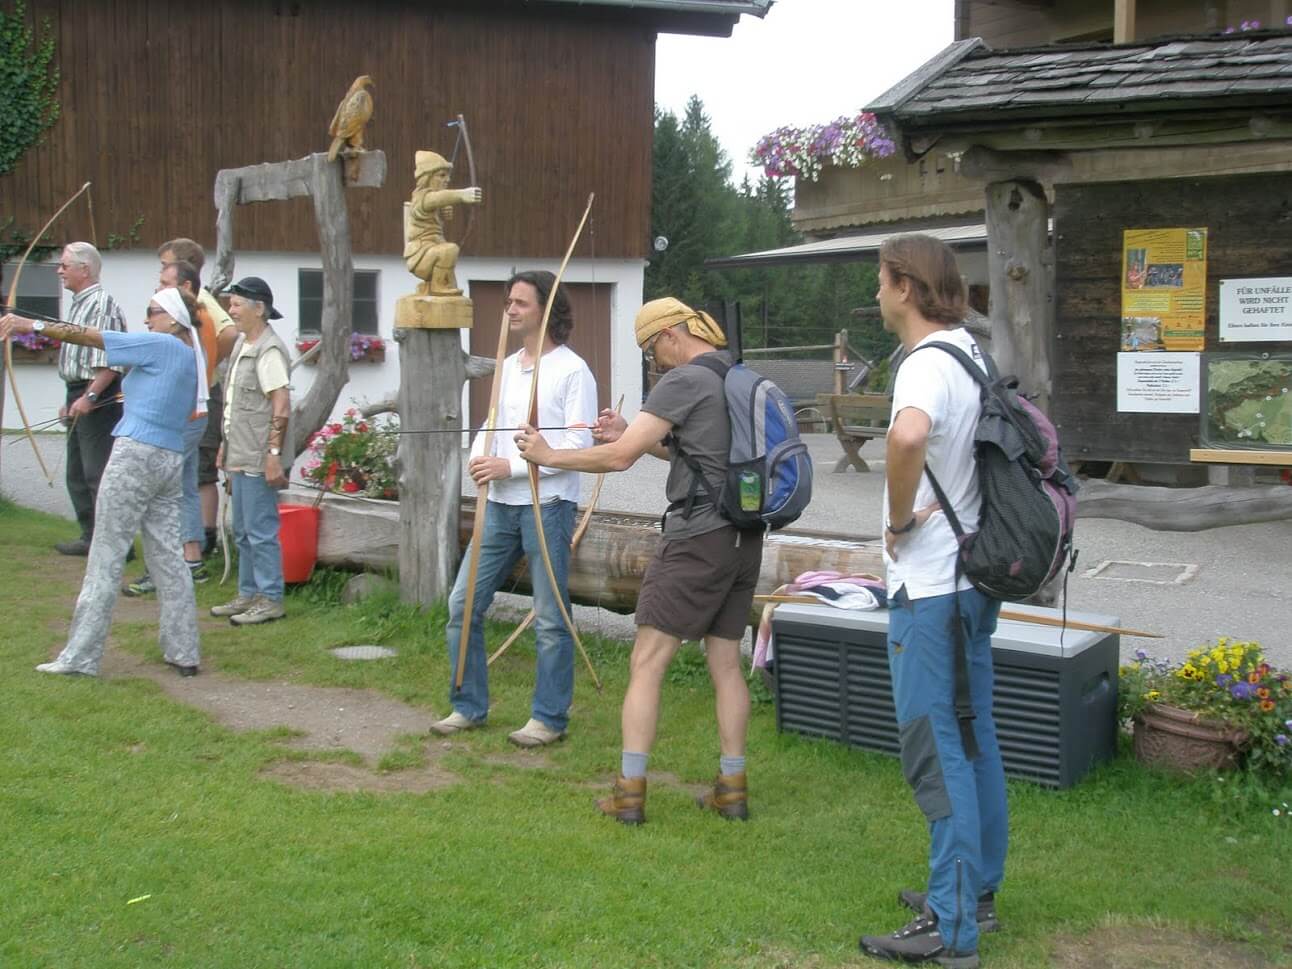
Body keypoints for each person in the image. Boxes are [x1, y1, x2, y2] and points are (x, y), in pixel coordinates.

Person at [515, 296, 761, 824]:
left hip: (697, 538)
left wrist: (549, 455)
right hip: (742, 539)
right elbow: (690, 454)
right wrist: (630, 433)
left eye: (651, 350)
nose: (655, 362)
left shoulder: (684, 379)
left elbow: (619, 457)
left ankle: (629, 793)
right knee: (725, 663)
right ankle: (732, 788)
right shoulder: (733, 374)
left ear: (671, 334)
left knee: (646, 661)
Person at [857, 234, 1005, 968]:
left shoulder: (922, 363)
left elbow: (909, 435)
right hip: (974, 579)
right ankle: (974, 894)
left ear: (906, 287)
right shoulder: (972, 352)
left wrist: (896, 518)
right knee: (974, 739)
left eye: (881, 279)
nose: (876, 292)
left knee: (934, 745)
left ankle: (950, 925)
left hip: (932, 586)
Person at [1, 288, 206, 676]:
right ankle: (184, 652)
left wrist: (30, 325)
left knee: (106, 554)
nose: (146, 318)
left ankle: (81, 657)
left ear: (173, 318)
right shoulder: (188, 353)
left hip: (135, 456)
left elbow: (89, 336)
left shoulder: (161, 343)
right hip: (168, 459)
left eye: (153, 311)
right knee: (168, 558)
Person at [431, 270, 596, 748]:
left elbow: (577, 446)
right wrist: (479, 457)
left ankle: (549, 718)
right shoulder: (506, 364)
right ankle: (467, 706)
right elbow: (491, 424)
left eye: (521, 302)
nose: (510, 310)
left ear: (546, 309)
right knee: (462, 604)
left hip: (548, 506)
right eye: (509, 302)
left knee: (550, 616)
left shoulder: (572, 370)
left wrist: (511, 466)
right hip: (499, 506)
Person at [125, 259, 221, 595]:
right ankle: (191, 561)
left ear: (186, 288)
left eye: (165, 284)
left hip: (183, 418)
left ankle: (163, 567)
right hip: (192, 415)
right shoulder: (197, 321)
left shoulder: (191, 324)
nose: (159, 290)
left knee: (162, 491)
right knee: (185, 487)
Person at [209, 276, 292, 626]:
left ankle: (270, 599)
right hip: (239, 452)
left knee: (260, 531)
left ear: (259, 309)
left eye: (237, 304)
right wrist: (225, 447)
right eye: (231, 304)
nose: (231, 310)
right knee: (242, 530)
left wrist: (273, 455)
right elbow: (236, 406)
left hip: (258, 456)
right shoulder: (244, 344)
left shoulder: (269, 350)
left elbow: (281, 406)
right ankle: (248, 593)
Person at [157, 238, 237, 556]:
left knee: (199, 471)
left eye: (166, 266)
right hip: (191, 396)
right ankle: (193, 545)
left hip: (202, 396)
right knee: (190, 473)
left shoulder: (198, 300)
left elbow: (229, 332)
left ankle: (204, 539)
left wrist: (207, 364)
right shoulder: (179, 300)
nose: (160, 274)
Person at [51, 242, 127, 556]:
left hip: (99, 393)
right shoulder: (80, 303)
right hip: (79, 390)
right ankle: (91, 537)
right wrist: (71, 397)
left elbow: (111, 359)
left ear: (84, 270)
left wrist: (90, 395)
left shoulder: (101, 304)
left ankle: (113, 543)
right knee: (77, 472)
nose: (59, 271)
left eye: (64, 266)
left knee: (97, 471)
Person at [403, 150, 483, 297]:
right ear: (426, 177)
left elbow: (439, 202)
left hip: (431, 252)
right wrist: (462, 195)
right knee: (449, 250)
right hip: (420, 256)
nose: (447, 179)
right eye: (441, 175)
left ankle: (440, 284)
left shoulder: (433, 203)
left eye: (447, 175)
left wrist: (441, 214)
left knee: (449, 261)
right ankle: (438, 286)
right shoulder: (422, 198)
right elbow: (437, 198)